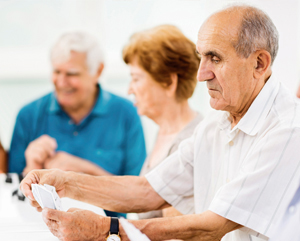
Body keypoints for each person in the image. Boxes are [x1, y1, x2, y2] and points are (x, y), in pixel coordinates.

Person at [21, 5, 300, 241]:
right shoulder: (217, 122)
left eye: (215, 58)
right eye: (201, 57)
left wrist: (107, 229)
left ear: (260, 64)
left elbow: (214, 225)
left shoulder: (288, 129)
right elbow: (148, 190)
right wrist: (65, 183)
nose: (202, 74)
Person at [10, 32, 146, 217]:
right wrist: (31, 166)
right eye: (57, 71)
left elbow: (140, 195)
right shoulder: (28, 115)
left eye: (71, 74)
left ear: (97, 71)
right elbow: (12, 196)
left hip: (110, 231)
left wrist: (81, 170)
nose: (61, 82)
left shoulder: (127, 113)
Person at [123, 25, 203, 219]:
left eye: (136, 79)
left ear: (169, 82)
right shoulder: (165, 132)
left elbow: (173, 236)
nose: (129, 90)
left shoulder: (189, 142)